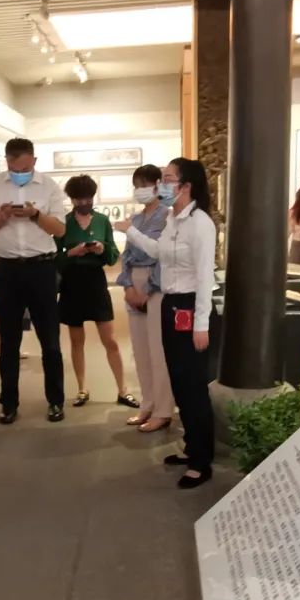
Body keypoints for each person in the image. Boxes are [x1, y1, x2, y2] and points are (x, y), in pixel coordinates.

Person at [115, 157, 217, 489]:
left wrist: (201, 324)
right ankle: (191, 447)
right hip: (171, 305)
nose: (162, 185)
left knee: (193, 385)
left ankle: (202, 462)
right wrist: (130, 231)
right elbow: (159, 251)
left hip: (190, 306)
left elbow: (205, 278)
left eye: (168, 179)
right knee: (179, 381)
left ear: (186, 186)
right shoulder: (174, 219)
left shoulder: (201, 223)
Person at [0, 137, 67, 424]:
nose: (20, 174)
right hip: (7, 270)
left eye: (25, 169)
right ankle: (8, 403)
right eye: (14, 169)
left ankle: (56, 401)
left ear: (34, 161)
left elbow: (60, 230)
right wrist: (1, 218)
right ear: (6, 162)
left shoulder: (49, 186)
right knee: (9, 342)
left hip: (42, 268)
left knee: (50, 340)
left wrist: (35, 214)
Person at [55, 174, 138, 410]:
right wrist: (72, 253)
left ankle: (123, 389)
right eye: (78, 199)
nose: (84, 203)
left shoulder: (102, 221)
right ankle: (82, 388)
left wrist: (102, 249)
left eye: (88, 198)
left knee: (109, 339)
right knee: (76, 340)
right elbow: (55, 258)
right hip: (71, 283)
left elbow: (112, 256)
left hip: (95, 281)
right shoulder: (63, 223)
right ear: (72, 199)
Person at [117, 164, 174, 432]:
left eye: (145, 185)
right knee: (140, 351)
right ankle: (147, 404)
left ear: (158, 186)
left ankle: (163, 410)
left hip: (157, 284)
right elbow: (127, 255)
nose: (140, 190)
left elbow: (163, 256)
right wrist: (128, 286)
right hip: (135, 283)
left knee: (158, 350)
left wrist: (148, 289)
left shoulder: (168, 217)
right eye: (137, 185)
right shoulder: (136, 219)